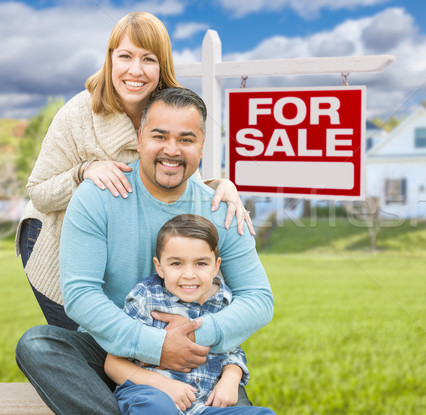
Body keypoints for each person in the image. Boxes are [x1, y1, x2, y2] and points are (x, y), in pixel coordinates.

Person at [16, 87, 273, 415]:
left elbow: (259, 299)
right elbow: (80, 294)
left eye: (186, 139)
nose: (172, 149)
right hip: (113, 350)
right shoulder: (98, 196)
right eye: (159, 136)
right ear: (139, 139)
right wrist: (156, 345)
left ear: (202, 146)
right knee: (38, 345)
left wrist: (195, 336)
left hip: (195, 356)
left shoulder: (221, 208)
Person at [15, 11, 253, 330]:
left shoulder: (170, 109)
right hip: (53, 241)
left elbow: (178, 179)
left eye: (148, 59)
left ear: (161, 66)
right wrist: (82, 171)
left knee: (131, 342)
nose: (135, 70)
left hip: (121, 249)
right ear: (111, 59)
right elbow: (40, 193)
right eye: (125, 56)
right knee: (92, 347)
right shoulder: (78, 114)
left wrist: (220, 184)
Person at [105, 214, 275, 415]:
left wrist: (231, 378)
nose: (188, 274)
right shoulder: (147, 296)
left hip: (201, 406)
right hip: (149, 393)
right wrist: (162, 384)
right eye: (176, 263)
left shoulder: (223, 299)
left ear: (216, 267)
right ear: (159, 267)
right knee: (156, 407)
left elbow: (232, 351)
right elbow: (113, 363)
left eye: (201, 264)